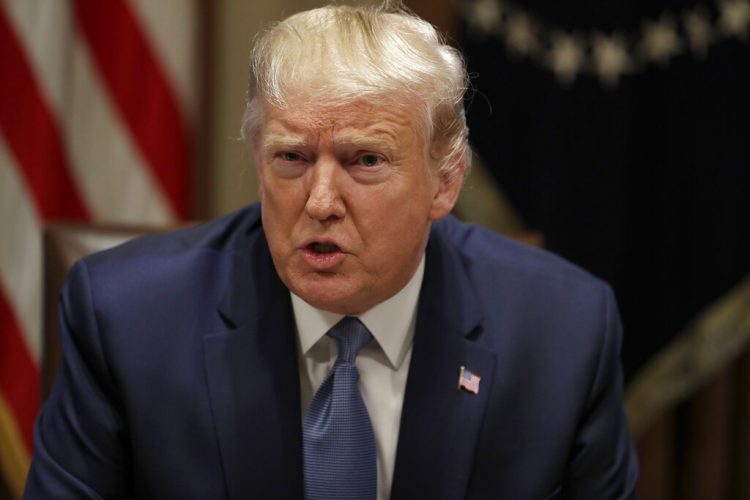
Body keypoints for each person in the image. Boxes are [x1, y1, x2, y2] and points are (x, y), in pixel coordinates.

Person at [24, 2, 638, 498]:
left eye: (365, 160)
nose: (320, 201)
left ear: (445, 181)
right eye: (291, 158)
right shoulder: (126, 318)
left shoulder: (564, 331)